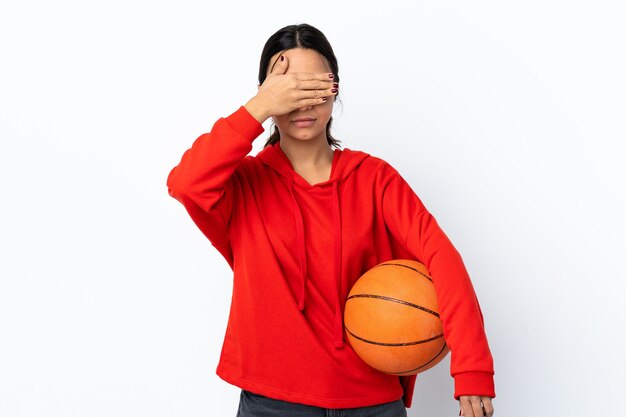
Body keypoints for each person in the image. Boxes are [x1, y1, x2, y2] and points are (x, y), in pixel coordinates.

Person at [166, 23, 495, 417]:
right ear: (267, 94)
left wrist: (472, 368)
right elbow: (185, 184)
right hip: (271, 403)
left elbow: (442, 259)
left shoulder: (374, 179)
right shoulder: (241, 186)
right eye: (288, 90)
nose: (303, 103)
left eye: (315, 87)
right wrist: (257, 107)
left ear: (335, 89)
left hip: (372, 402)